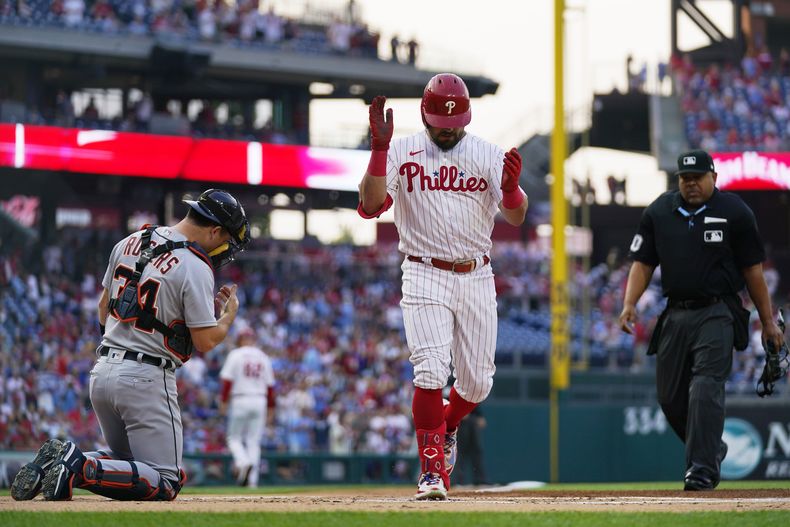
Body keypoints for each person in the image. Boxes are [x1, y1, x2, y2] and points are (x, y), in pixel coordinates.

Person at [11, 189, 250, 501]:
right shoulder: (195, 264)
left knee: (132, 466)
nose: (224, 249)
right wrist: (228, 318)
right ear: (215, 230)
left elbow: (102, 307)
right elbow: (204, 340)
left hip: (103, 370)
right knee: (166, 480)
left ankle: (57, 463)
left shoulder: (129, 241)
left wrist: (120, 349)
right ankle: (77, 465)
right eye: (226, 240)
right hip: (145, 376)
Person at [357, 73, 528, 500]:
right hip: (423, 270)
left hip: (476, 274)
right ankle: (432, 474)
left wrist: (510, 191)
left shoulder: (486, 153)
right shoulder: (400, 149)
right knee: (430, 370)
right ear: (425, 115)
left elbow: (516, 215)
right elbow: (371, 205)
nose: (448, 127)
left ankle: (447, 426)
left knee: (477, 385)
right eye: (440, 120)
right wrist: (378, 151)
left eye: (455, 120)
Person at [619, 150, 783, 491]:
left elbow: (753, 271)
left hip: (718, 310)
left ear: (713, 178)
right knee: (669, 397)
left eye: (697, 178)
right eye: (684, 178)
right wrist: (629, 303)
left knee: (705, 385)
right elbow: (643, 262)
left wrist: (767, 321)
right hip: (675, 313)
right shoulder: (660, 211)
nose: (690, 184)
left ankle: (702, 469)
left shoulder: (734, 212)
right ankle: (711, 448)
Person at [219, 327, 275, 487]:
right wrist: (271, 408)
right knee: (253, 442)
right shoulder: (263, 357)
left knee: (233, 438)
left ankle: (243, 463)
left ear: (240, 340)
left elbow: (227, 382)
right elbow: (270, 387)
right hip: (260, 400)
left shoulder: (236, 354)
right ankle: (252, 482)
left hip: (240, 399)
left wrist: (223, 402)